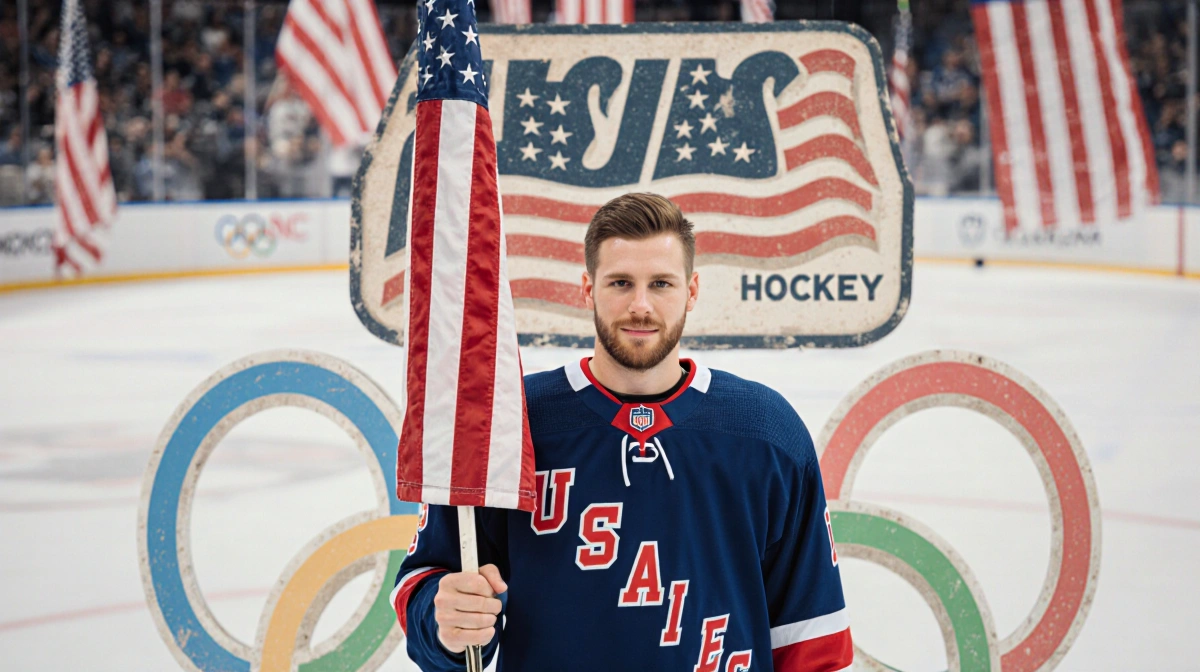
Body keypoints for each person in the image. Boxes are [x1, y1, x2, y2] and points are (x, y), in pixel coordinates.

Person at [392, 193, 853, 671]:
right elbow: (426, 579)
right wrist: (445, 619)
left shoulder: (766, 432)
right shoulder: (510, 424)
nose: (640, 305)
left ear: (692, 291)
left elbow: (810, 638)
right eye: (620, 283)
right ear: (587, 289)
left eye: (660, 283)